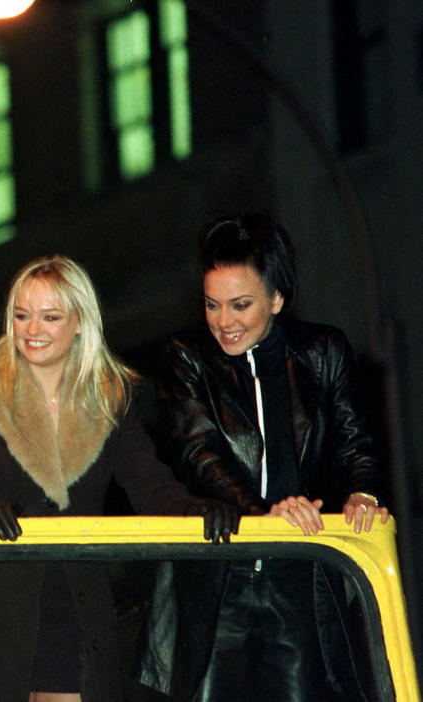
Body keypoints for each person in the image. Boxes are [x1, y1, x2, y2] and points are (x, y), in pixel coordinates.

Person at [0, 255, 238, 702]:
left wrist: (197, 509)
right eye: (22, 315)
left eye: (50, 317)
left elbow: (149, 484)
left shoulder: (109, 396)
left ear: (80, 322)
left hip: (76, 599)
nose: (32, 329)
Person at [146, 212, 388, 701]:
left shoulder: (323, 350)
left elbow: (354, 441)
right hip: (217, 579)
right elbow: (198, 453)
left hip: (299, 578)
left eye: (240, 305)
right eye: (212, 305)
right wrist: (263, 514)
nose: (223, 321)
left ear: (276, 298)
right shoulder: (184, 355)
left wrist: (362, 494)